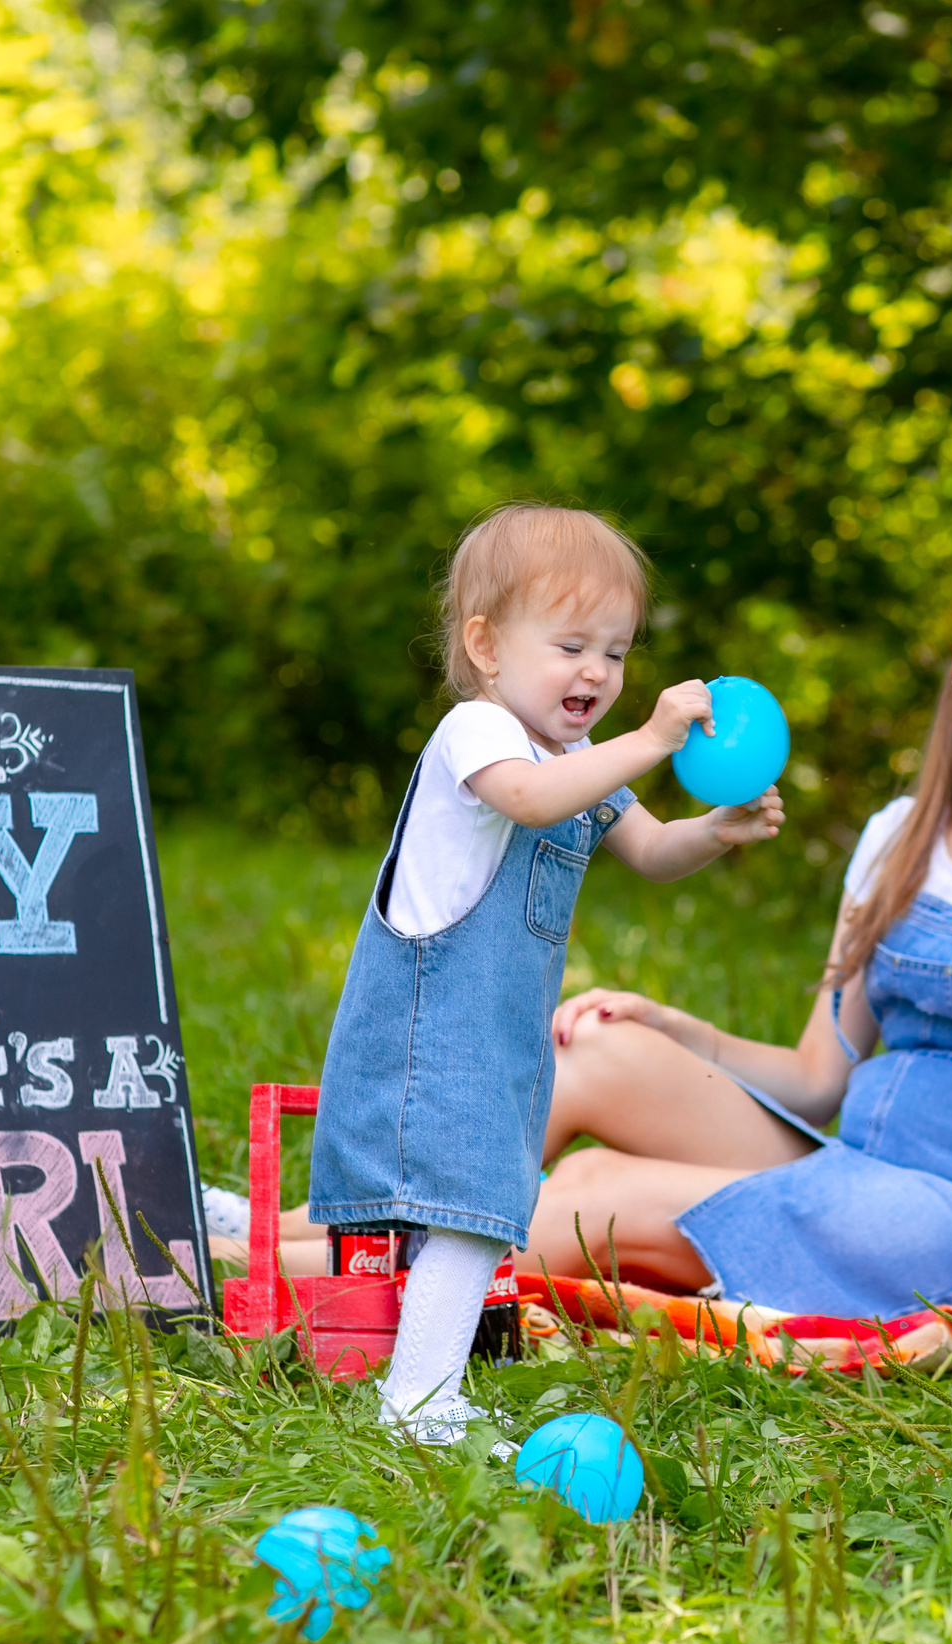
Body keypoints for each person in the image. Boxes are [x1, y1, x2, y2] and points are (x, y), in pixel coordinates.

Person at [520, 533, 952, 1316]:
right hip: (870, 1164)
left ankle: (376, 1281)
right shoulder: (896, 836)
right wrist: (676, 1028)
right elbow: (817, 1078)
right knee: (596, 1048)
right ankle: (357, 1232)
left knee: (597, 1191)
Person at [310, 502, 783, 1443]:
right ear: (486, 646)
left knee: (485, 1203)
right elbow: (529, 802)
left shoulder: (580, 759)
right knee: (468, 1208)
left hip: (497, 1035)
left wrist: (716, 834)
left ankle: (422, 1381)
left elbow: (649, 849)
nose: (598, 674)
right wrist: (649, 739)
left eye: (615, 652)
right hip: (430, 1020)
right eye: (572, 645)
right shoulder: (478, 735)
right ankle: (418, 1397)